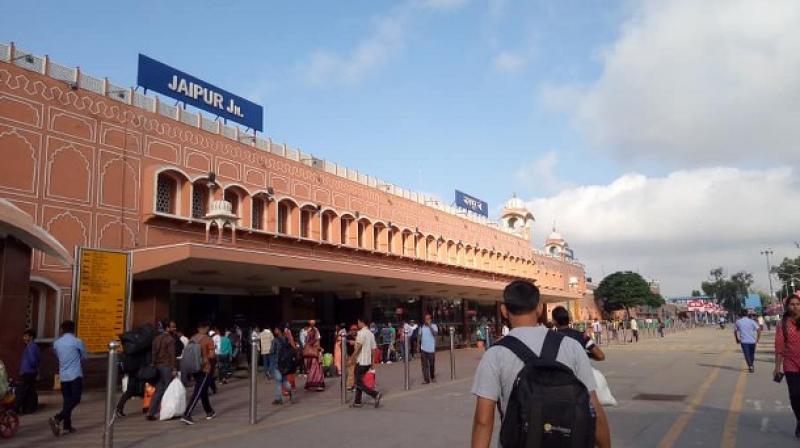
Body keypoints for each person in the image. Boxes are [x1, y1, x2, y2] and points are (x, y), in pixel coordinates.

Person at [471, 280, 610, 448]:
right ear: (539, 308)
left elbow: (483, 421)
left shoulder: (495, 354)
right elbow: (593, 406)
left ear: (504, 311)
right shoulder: (570, 346)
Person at [49, 320, 86, 437]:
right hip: (75, 374)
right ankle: (58, 418)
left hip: (63, 376)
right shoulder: (77, 341)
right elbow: (84, 356)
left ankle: (67, 426)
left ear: (62, 329)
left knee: (67, 401)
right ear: (73, 329)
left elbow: (57, 355)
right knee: (76, 399)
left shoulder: (57, 343)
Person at [181, 322, 216, 425]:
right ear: (206, 328)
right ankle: (187, 414)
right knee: (198, 391)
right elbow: (212, 355)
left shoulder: (192, 338)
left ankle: (209, 411)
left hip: (194, 368)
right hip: (205, 368)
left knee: (203, 390)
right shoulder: (208, 339)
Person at [775, 293, 800, 437]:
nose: (795, 307)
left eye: (797, 304)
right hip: (790, 364)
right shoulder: (782, 324)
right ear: (787, 306)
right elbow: (779, 347)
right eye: (792, 304)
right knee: (795, 395)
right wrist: (777, 368)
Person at [147, 320, 177, 421]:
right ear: (167, 328)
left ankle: (151, 412)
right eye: (172, 327)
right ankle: (166, 411)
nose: (174, 329)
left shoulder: (156, 339)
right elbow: (172, 355)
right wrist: (174, 368)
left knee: (158, 390)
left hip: (157, 367)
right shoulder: (170, 339)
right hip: (167, 366)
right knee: (168, 390)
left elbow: (153, 354)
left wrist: (153, 364)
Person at [351, 317, 382, 408]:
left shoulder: (361, 333)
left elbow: (359, 346)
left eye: (358, 322)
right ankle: (357, 401)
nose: (358, 324)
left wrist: (352, 357)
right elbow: (373, 349)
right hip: (367, 362)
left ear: (362, 322)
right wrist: (372, 362)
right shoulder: (371, 334)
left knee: (358, 382)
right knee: (359, 380)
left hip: (361, 361)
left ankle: (375, 394)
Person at [13, 329, 40, 414]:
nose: (23, 338)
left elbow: (32, 360)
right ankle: (29, 408)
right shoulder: (32, 346)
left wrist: (30, 368)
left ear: (31, 337)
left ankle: (15, 409)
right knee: (30, 391)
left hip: (28, 372)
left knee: (21, 391)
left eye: (25, 336)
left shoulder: (31, 346)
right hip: (30, 372)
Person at [271, 326, 296, 405]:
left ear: (278, 330)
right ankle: (291, 393)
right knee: (284, 380)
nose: (274, 330)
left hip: (277, 363)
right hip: (285, 364)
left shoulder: (275, 341)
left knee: (278, 381)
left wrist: (269, 368)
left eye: (275, 329)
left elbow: (271, 351)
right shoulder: (286, 339)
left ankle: (278, 399)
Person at [303, 319, 325, 391]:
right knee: (315, 368)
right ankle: (317, 384)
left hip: (312, 352)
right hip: (314, 352)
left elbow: (307, 342)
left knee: (313, 368)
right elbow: (316, 341)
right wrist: (319, 347)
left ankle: (312, 384)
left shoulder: (309, 331)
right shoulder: (313, 331)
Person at [419, 313, 439, 384]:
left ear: (430, 319)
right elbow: (420, 336)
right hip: (423, 348)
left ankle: (432, 377)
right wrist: (418, 345)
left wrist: (430, 326)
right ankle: (426, 379)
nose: (427, 320)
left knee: (431, 364)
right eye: (426, 319)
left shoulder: (434, 326)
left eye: (428, 319)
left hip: (431, 348)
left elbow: (435, 334)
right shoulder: (422, 326)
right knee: (424, 365)